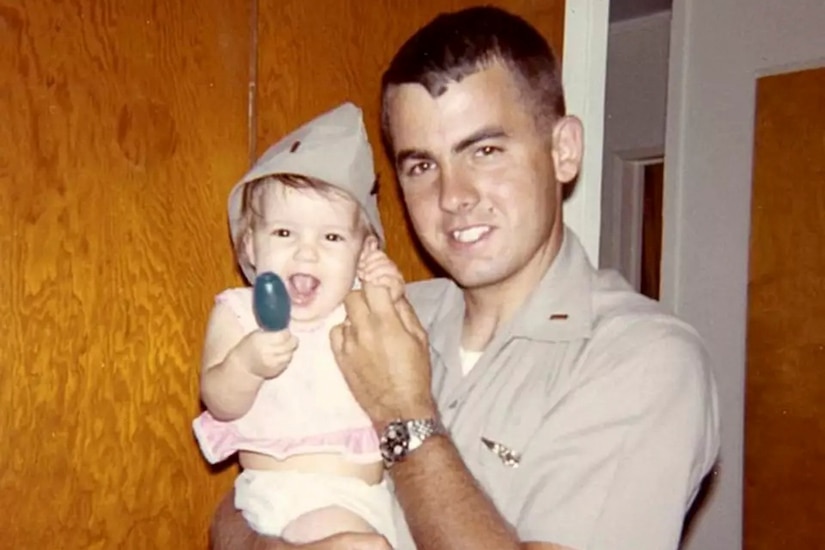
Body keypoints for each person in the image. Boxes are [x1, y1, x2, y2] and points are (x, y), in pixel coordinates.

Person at [210, 6, 720, 550]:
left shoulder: (644, 362)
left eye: (485, 150)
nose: (454, 196)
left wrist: (404, 415)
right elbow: (242, 507)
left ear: (563, 150)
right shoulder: (378, 312)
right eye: (422, 166)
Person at [194, 102, 405, 547]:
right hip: (286, 497)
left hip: (373, 497)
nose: (306, 253)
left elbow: (406, 381)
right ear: (250, 245)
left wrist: (388, 296)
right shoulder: (241, 312)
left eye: (331, 237)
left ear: (364, 251)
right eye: (285, 234)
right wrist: (247, 364)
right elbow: (218, 400)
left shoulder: (360, 309)